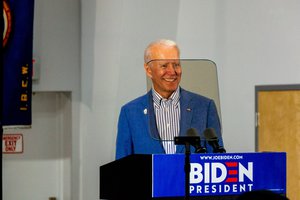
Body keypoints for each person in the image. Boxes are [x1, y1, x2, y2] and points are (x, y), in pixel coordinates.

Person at [115, 39, 224, 159]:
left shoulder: (205, 107)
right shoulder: (130, 113)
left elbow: (217, 160)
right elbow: (122, 168)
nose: (172, 72)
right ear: (148, 70)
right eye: (164, 65)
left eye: (176, 64)